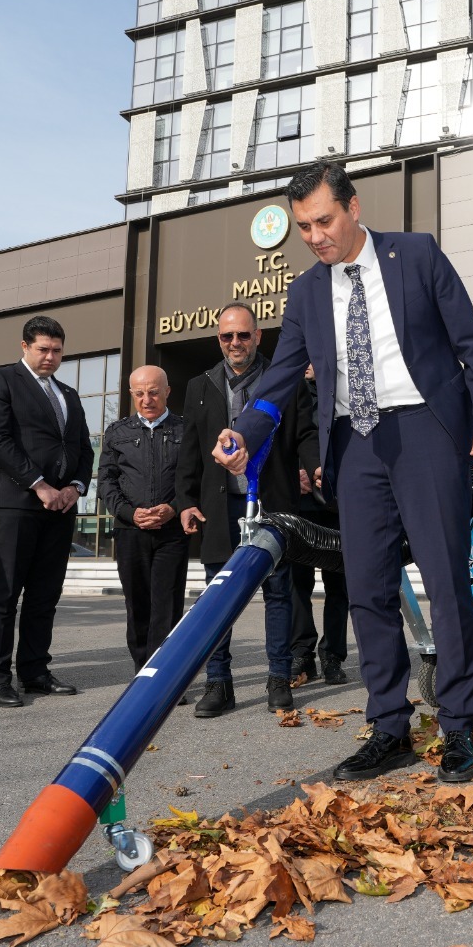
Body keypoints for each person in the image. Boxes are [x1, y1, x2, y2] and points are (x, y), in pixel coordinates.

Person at [214, 161, 473, 784]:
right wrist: (245, 432)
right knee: (368, 588)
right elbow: (279, 381)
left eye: (324, 220)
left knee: (445, 580)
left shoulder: (417, 256)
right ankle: (389, 726)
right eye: (303, 227)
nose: (315, 236)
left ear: (354, 207)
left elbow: (472, 346)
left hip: (424, 429)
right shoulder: (306, 293)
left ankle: (457, 726)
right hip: (355, 444)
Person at [177, 304, 318, 716]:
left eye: (243, 335)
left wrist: (315, 466)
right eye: (227, 337)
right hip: (219, 509)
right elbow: (189, 452)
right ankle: (218, 685)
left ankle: (279, 679)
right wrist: (185, 501)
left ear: (258, 336)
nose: (235, 343)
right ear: (218, 340)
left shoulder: (285, 380)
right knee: (218, 600)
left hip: (273, 503)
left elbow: (306, 433)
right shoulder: (199, 386)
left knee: (278, 594)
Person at [0, 316, 93, 707]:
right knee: (4, 593)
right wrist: (39, 485)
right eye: (43, 349)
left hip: (60, 506)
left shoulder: (69, 394)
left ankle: (35, 671)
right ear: (24, 346)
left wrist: (75, 487)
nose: (50, 357)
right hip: (13, 502)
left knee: (45, 594)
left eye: (57, 350)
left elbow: (84, 448)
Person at [98, 366, 190, 673]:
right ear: (131, 395)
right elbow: (106, 482)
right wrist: (129, 513)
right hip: (130, 532)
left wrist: (174, 508)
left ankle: (164, 673)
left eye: (153, 392)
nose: (146, 399)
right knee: (137, 604)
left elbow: (195, 478)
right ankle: (143, 671)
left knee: (167, 605)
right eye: (139, 393)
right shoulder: (117, 433)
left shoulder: (186, 430)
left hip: (171, 533)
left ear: (167, 392)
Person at [290, 365, 349, 688]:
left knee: (338, 586)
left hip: (336, 504)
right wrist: (293, 474)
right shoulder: (287, 395)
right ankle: (302, 653)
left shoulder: (342, 395)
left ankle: (333, 656)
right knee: (297, 584)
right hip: (298, 505)